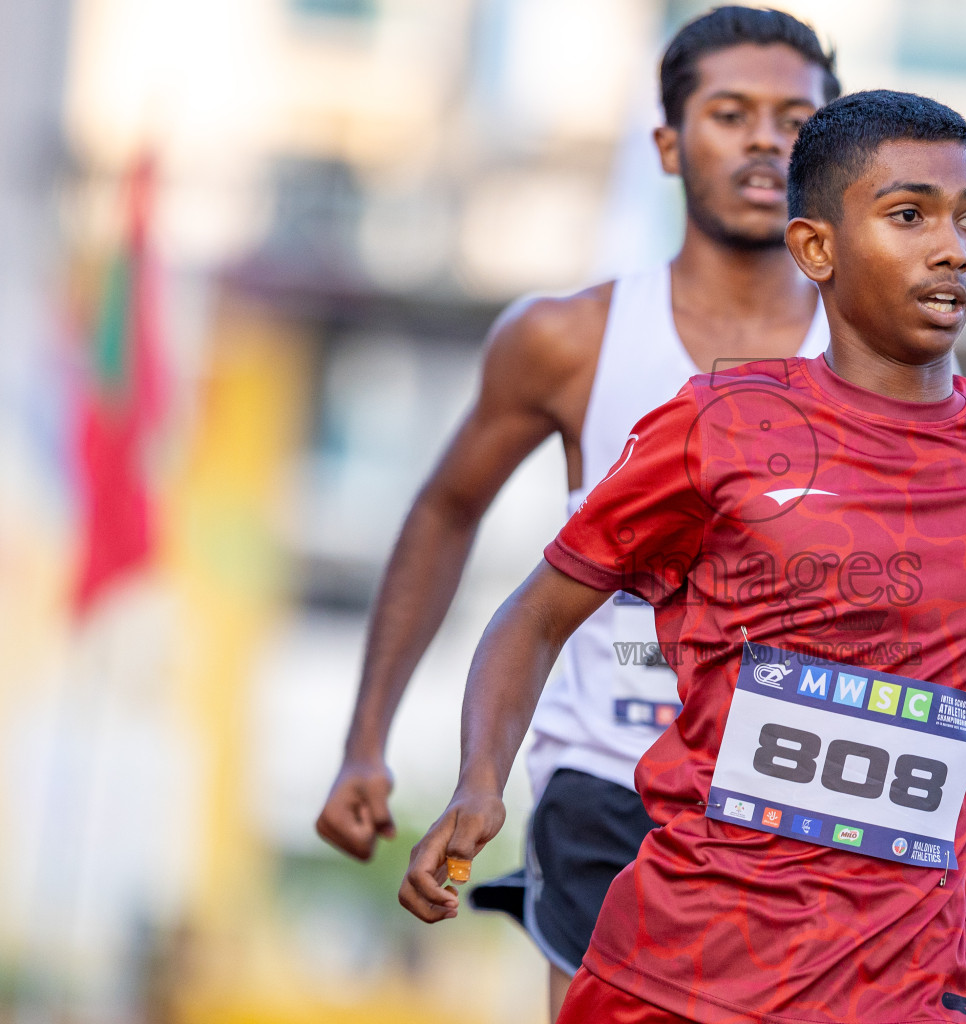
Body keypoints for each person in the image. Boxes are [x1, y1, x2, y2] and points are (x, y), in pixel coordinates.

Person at [398, 90, 966, 1024]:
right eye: (909, 215)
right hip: (692, 967)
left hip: (910, 978)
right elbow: (537, 612)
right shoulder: (722, 425)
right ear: (816, 249)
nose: (953, 248)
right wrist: (481, 779)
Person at [314, 6, 840, 1012]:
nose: (768, 138)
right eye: (731, 113)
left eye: (795, 118)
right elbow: (445, 510)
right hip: (608, 775)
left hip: (795, 798)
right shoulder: (569, 340)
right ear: (669, 143)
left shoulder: (881, 365)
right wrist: (367, 736)